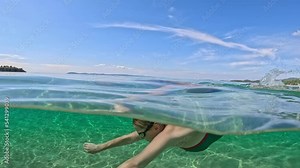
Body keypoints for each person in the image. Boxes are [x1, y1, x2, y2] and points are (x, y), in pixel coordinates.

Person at [83, 118, 222, 168]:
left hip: (217, 126)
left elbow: (135, 164)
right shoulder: (159, 125)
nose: (140, 136)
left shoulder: (169, 134)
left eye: (142, 133)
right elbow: (129, 137)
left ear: (156, 127)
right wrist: (100, 147)